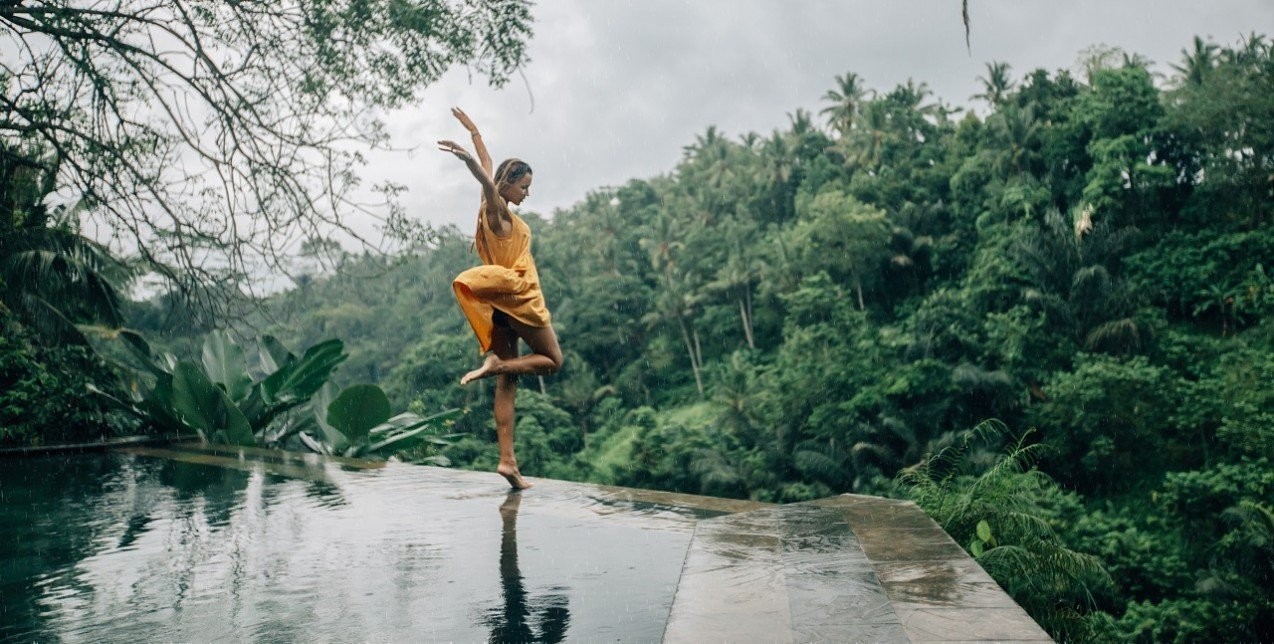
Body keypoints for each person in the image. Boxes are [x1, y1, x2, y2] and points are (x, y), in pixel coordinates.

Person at [438, 107, 563, 490]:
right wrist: (468, 162)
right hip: (521, 298)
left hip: (499, 307)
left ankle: (507, 462)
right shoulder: (499, 214)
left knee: (508, 381)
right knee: (552, 361)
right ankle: (496, 366)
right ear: (507, 186)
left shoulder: (485, 212)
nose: (527, 193)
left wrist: (475, 132)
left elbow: (489, 169)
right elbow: (488, 179)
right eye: (523, 187)